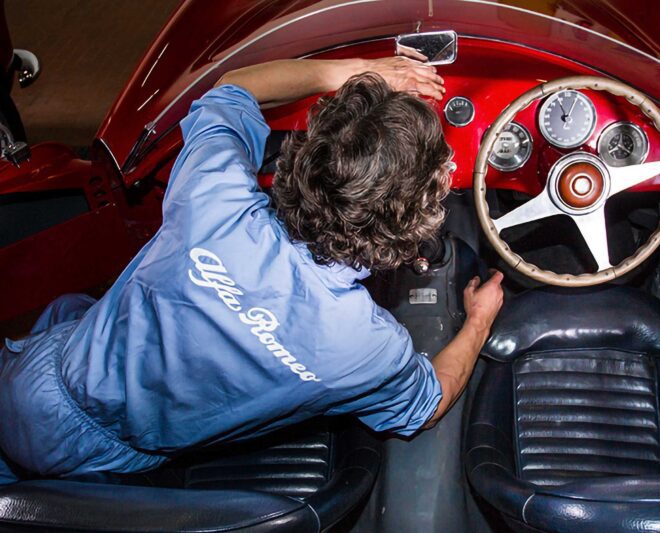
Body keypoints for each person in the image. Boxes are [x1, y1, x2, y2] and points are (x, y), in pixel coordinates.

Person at [0, 53, 504, 484]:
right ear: (412, 223)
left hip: (43, 376)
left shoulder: (212, 195)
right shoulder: (364, 346)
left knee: (69, 311)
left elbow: (235, 85)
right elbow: (428, 404)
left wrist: (360, 70)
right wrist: (479, 319)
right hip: (109, 448)